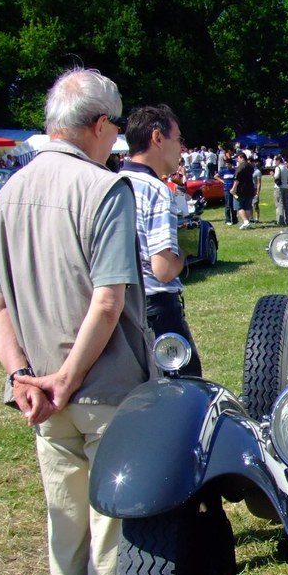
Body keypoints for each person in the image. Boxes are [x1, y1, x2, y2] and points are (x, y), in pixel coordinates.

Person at [0, 67, 151, 575]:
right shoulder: (105, 189)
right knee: (109, 535)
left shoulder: (8, 192)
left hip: (43, 398)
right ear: (101, 125)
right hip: (101, 390)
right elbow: (108, 302)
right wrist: (64, 378)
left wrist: (25, 376)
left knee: (66, 530)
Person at [122, 103, 202, 378]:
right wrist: (183, 250)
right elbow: (164, 269)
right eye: (177, 138)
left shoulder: (111, 182)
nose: (180, 147)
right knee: (185, 389)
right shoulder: (157, 190)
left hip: (120, 307)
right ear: (157, 138)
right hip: (157, 310)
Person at [233, 152, 257, 228]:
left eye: (238, 158)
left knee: (239, 206)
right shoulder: (251, 166)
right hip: (250, 189)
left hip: (241, 190)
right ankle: (247, 222)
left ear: (241, 157)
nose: (237, 160)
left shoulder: (241, 166)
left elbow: (237, 179)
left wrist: (233, 188)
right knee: (247, 206)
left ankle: (245, 221)